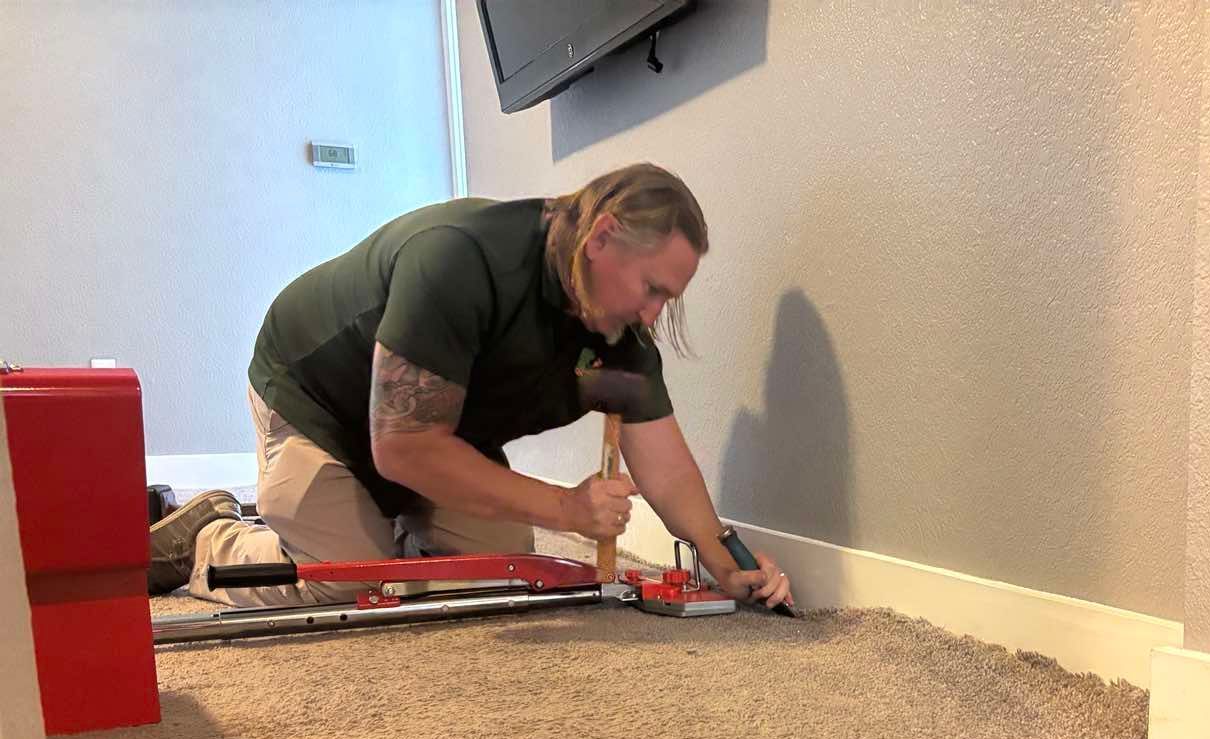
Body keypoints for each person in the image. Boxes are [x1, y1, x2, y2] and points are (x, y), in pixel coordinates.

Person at [147, 163, 794, 613]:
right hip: (318, 399)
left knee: (499, 574)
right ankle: (211, 538)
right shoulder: (462, 260)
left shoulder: (617, 336)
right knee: (346, 580)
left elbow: (666, 466)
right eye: (653, 289)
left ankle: (375, 529)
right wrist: (565, 510)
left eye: (669, 299)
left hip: (441, 430)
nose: (654, 315)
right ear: (601, 240)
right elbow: (403, 450)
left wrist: (724, 560)